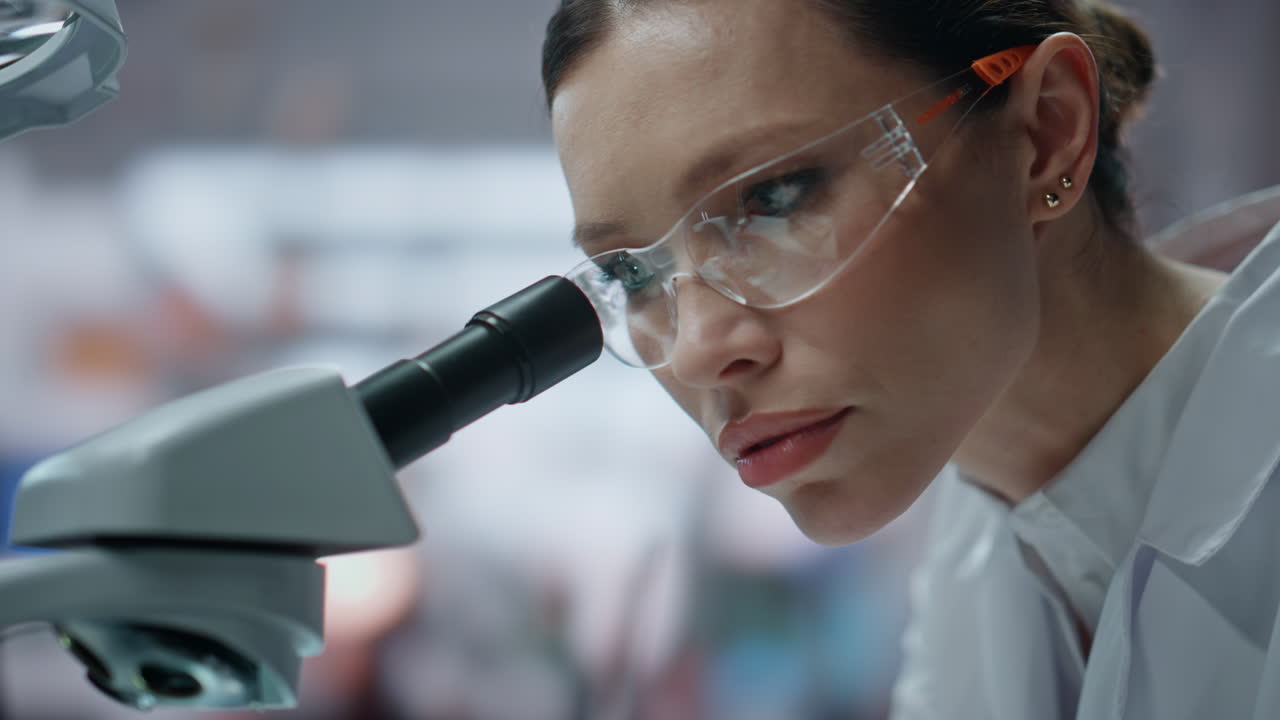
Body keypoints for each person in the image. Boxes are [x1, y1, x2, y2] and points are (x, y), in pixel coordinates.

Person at [539, 0, 1280, 717]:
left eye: (774, 197)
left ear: (1047, 132)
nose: (697, 350)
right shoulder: (983, 537)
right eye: (631, 274)